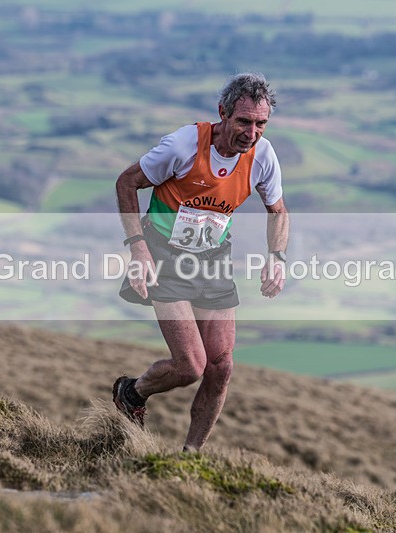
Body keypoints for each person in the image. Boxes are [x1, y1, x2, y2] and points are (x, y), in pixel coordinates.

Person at [113, 72, 289, 452]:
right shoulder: (183, 145)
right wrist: (138, 248)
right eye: (244, 121)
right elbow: (126, 182)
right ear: (222, 113)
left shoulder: (263, 156)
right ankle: (132, 392)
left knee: (221, 366)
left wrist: (276, 256)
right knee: (190, 366)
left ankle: (191, 456)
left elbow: (277, 210)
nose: (252, 132)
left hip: (213, 260)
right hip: (166, 256)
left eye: (261, 123)